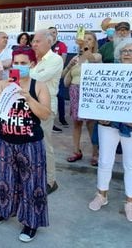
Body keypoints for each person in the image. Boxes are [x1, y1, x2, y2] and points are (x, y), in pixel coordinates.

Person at [0, 46, 50, 242]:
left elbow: (45, 114)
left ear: (32, 64)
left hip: (30, 142)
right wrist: (5, 90)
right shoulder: (2, 84)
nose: (19, 66)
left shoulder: (38, 85)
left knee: (31, 183)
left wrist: (29, 98)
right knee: (5, 179)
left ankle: (31, 222)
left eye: (24, 63)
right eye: (16, 62)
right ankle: (4, 211)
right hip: (5, 139)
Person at [88, 38, 132, 222]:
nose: (127, 53)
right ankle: (101, 195)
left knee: (130, 164)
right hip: (107, 123)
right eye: (124, 50)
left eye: (131, 50)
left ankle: (130, 202)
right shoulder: (107, 71)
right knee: (105, 161)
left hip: (130, 126)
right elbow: (96, 96)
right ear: (119, 53)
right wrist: (98, 114)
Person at [30, 29, 63, 194]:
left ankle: (51, 181)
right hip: (29, 106)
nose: (34, 44)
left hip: (45, 107)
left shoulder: (55, 59)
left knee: (44, 145)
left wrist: (27, 71)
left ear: (49, 42)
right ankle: (35, 177)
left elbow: (35, 79)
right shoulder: (35, 60)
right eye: (33, 41)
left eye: (37, 41)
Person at [62, 32, 101, 165]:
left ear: (94, 43)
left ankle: (96, 153)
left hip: (89, 92)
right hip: (74, 91)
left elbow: (92, 60)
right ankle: (76, 150)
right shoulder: (76, 58)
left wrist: (84, 48)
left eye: (89, 40)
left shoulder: (97, 55)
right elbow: (64, 77)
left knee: (91, 124)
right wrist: (69, 66)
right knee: (77, 123)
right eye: (84, 40)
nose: (86, 42)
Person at [48, 26, 68, 130]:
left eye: (54, 32)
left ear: (57, 34)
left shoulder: (62, 45)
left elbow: (63, 61)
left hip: (57, 75)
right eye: (50, 32)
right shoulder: (45, 45)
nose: (52, 34)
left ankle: (62, 118)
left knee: (59, 96)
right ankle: (50, 121)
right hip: (46, 76)